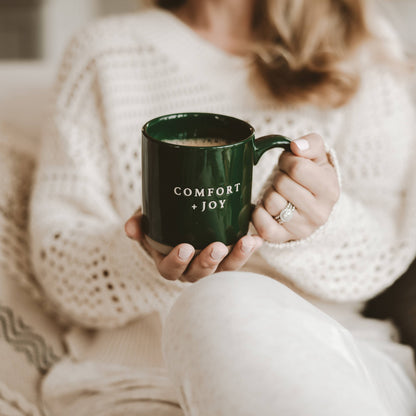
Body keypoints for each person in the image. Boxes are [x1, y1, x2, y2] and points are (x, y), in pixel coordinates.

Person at [29, 0, 416, 414]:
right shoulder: (104, 53)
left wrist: (314, 225)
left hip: (328, 362)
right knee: (214, 304)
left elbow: (386, 252)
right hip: (139, 381)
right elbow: (59, 263)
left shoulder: (361, 49)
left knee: (223, 302)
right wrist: (144, 253)